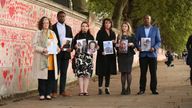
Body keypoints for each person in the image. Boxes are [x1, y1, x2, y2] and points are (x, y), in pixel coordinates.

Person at [32, 16, 59, 100]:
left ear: (49, 24)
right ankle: (42, 94)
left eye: (47, 23)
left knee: (50, 77)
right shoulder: (38, 33)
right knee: (42, 77)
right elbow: (34, 45)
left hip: (51, 58)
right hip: (42, 58)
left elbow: (56, 45)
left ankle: (48, 93)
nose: (46, 24)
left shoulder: (52, 33)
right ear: (41, 24)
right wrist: (43, 49)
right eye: (44, 23)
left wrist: (57, 49)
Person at [135, 15, 161, 95]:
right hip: (143, 55)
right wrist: (138, 47)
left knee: (153, 73)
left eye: (148, 19)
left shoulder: (155, 29)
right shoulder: (139, 29)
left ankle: (154, 89)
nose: (146, 20)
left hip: (152, 55)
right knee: (143, 73)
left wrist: (154, 48)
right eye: (145, 18)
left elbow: (159, 41)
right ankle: (142, 89)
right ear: (143, 20)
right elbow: (136, 40)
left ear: (150, 20)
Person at [52, 11, 73, 97]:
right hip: (56, 53)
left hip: (66, 54)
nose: (62, 18)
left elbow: (71, 40)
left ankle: (62, 91)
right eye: (60, 16)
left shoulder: (68, 28)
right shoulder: (52, 27)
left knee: (64, 72)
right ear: (57, 17)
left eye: (63, 16)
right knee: (55, 73)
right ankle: (54, 91)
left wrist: (70, 48)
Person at [72, 21, 95, 96]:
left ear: (88, 28)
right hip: (79, 57)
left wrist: (95, 48)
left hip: (88, 57)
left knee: (87, 74)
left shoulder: (91, 36)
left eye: (86, 26)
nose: (84, 27)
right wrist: (75, 46)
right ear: (81, 27)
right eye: (83, 26)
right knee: (80, 74)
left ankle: (85, 90)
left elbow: (93, 48)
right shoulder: (77, 36)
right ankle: (81, 91)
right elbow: (72, 46)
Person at [96, 18, 117, 95]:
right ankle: (100, 88)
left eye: (109, 23)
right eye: (106, 23)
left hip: (110, 55)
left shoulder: (113, 33)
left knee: (108, 71)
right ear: (103, 24)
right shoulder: (100, 32)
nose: (107, 24)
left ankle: (107, 88)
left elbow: (115, 45)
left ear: (111, 24)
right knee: (101, 71)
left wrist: (114, 42)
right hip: (102, 54)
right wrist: (101, 51)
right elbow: (97, 43)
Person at [116, 21, 136, 95]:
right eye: (123, 26)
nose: (124, 28)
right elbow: (116, 46)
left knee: (128, 72)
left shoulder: (132, 35)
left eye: (126, 26)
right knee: (123, 73)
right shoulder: (119, 35)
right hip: (121, 55)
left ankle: (128, 88)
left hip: (129, 55)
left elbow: (135, 45)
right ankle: (123, 89)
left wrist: (132, 44)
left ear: (128, 27)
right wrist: (117, 45)